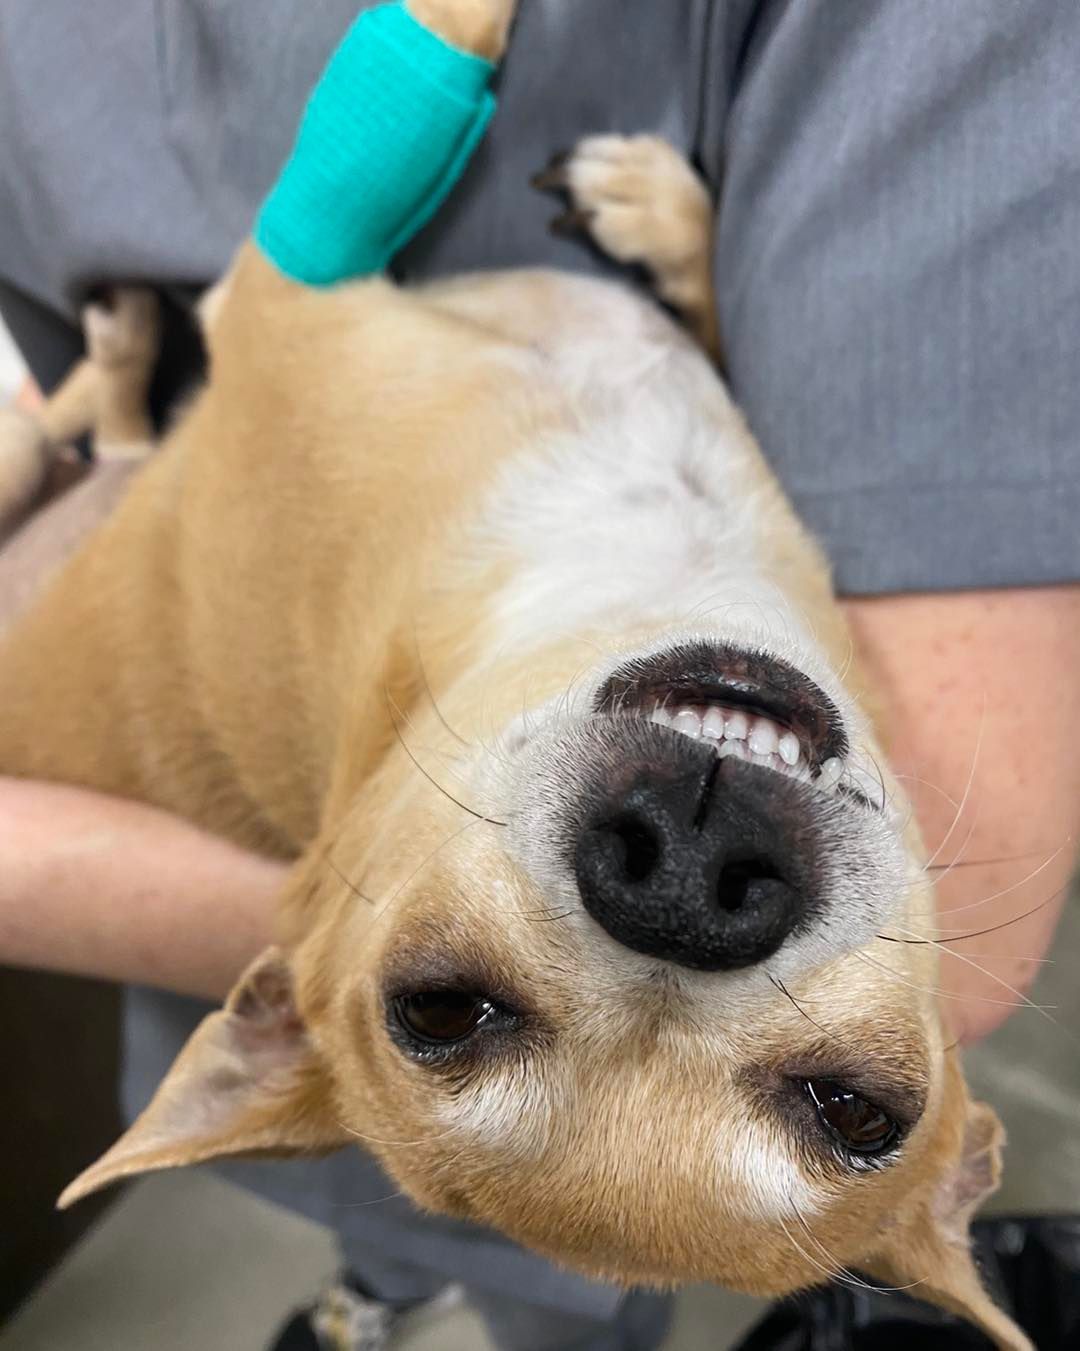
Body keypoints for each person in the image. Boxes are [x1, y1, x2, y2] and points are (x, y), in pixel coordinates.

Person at [1, 3, 1078, 1348]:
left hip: (145, 525)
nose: (686, 909)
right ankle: (388, 1271)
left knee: (524, 1281)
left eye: (453, 1009)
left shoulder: (365, 504)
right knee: (515, 1259)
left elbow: (287, 281)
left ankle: (371, 1303)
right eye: (847, 1107)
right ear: (963, 1158)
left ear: (284, 1002)